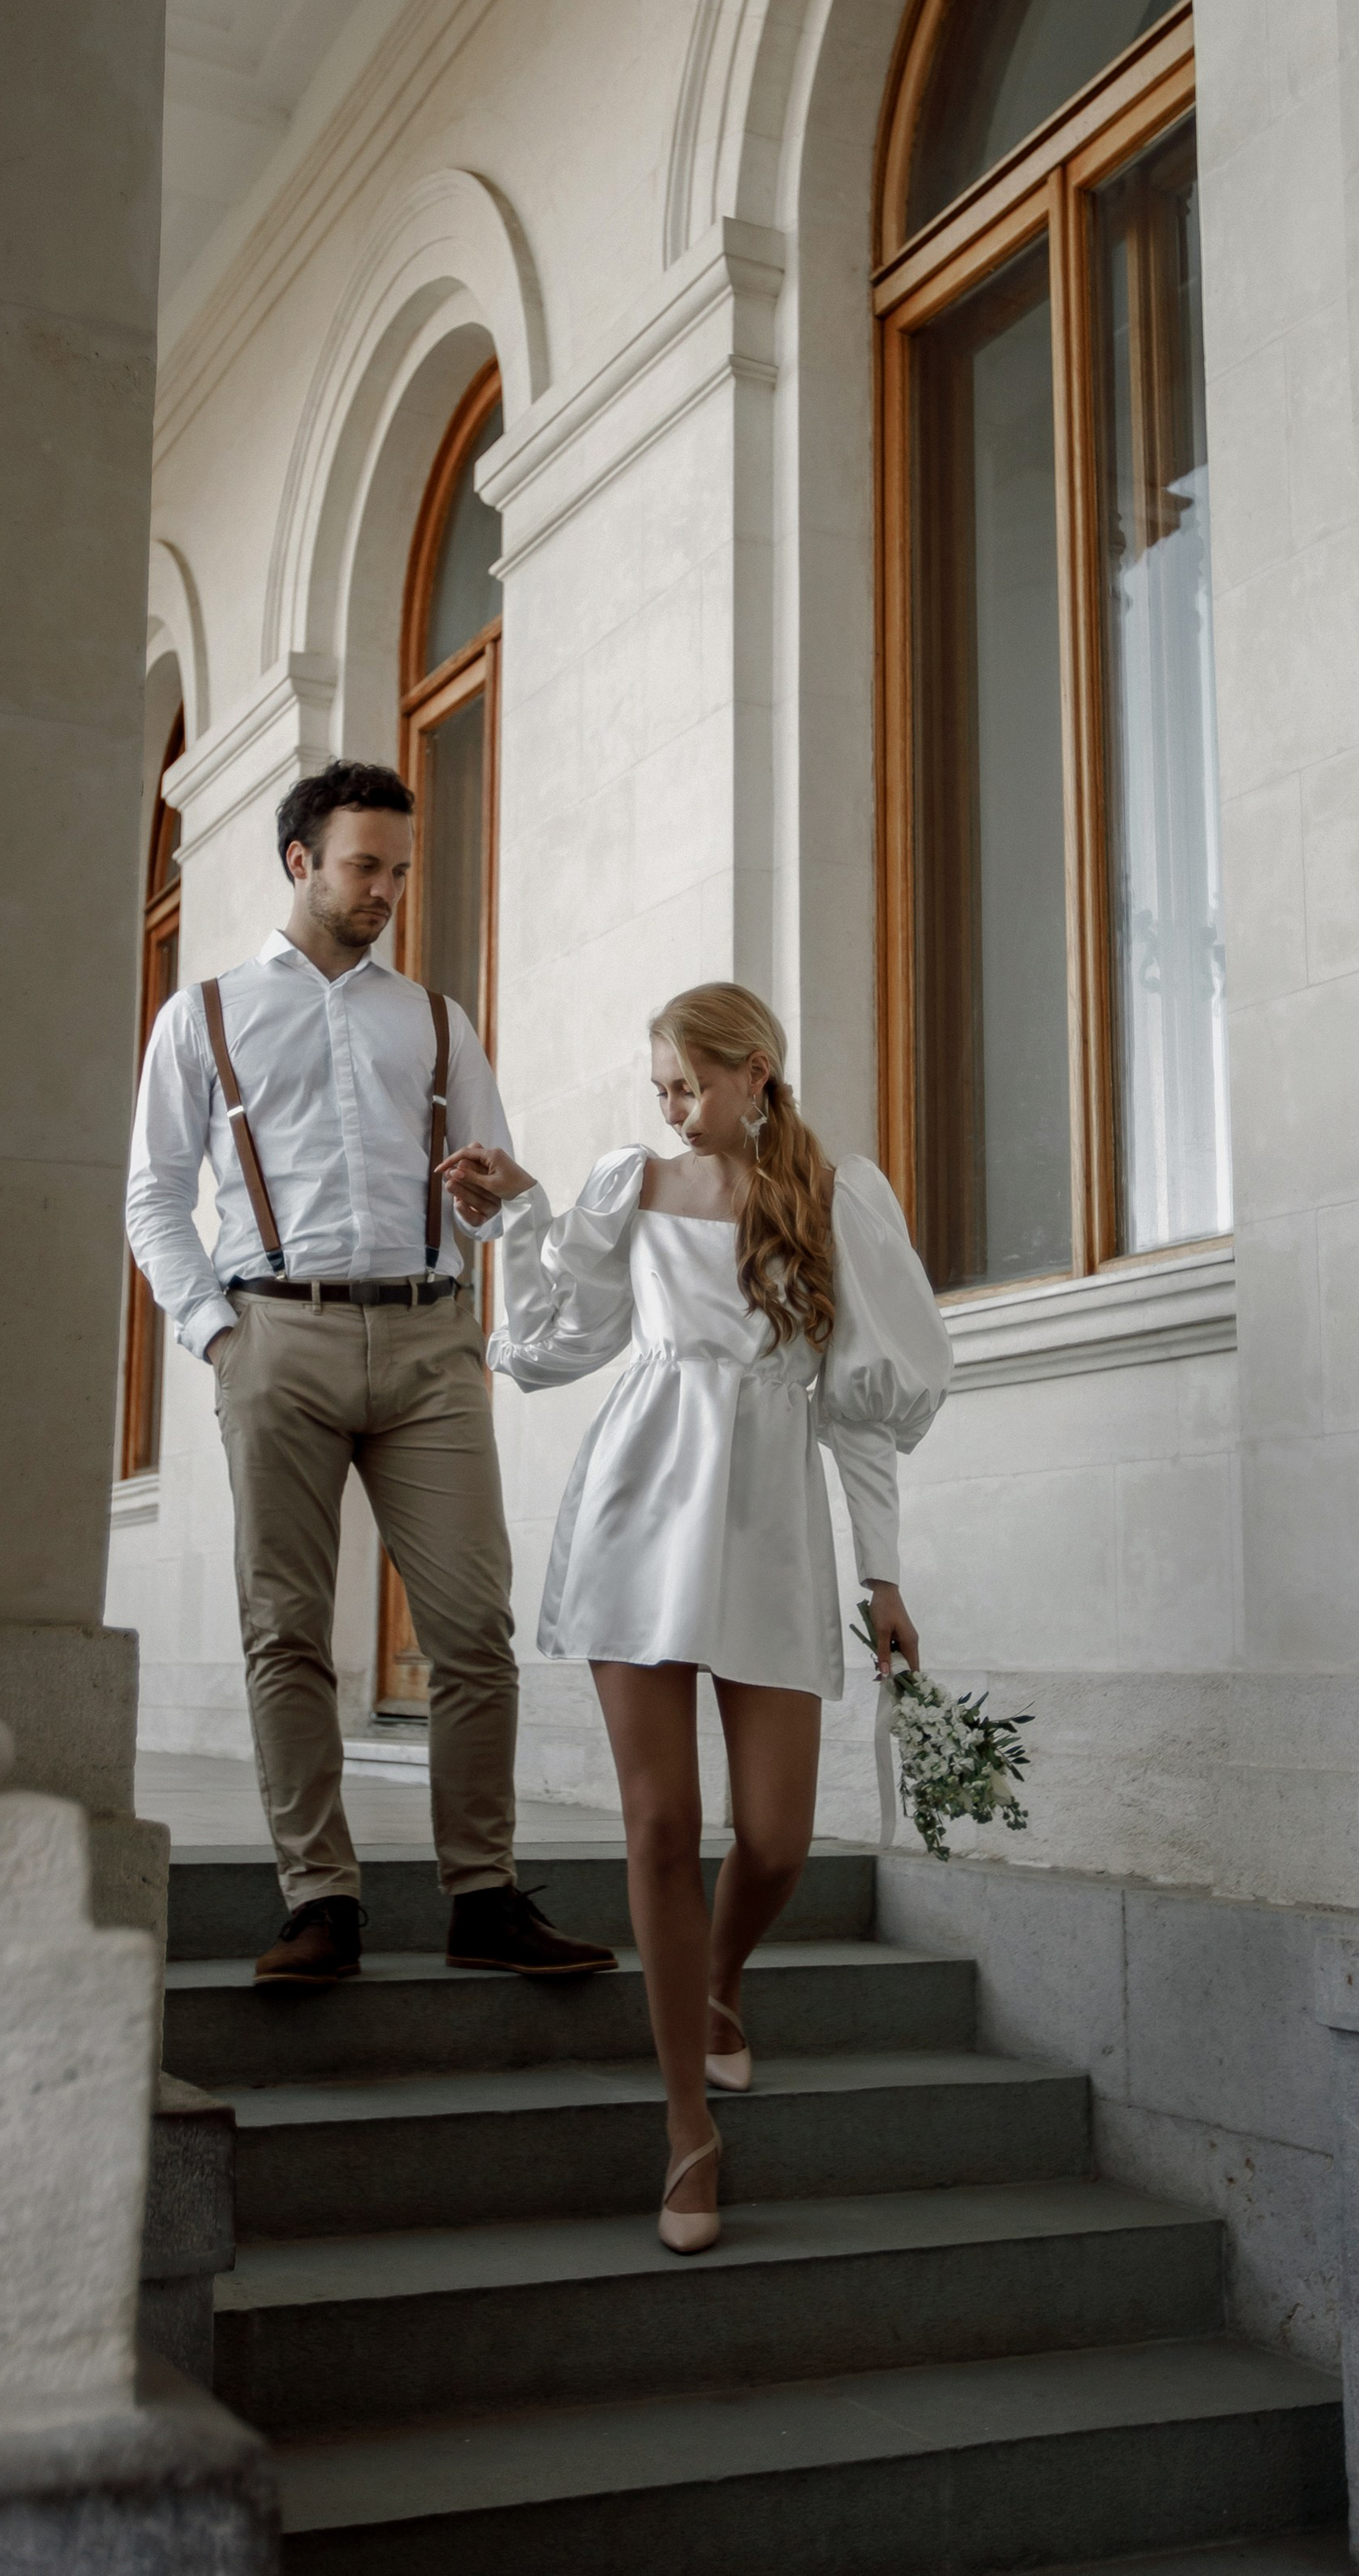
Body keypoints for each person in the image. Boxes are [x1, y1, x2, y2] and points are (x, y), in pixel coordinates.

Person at [442, 981, 951, 2251]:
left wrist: (881, 1576)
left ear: (756, 1072)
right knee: (662, 1822)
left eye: (689, 1083)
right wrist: (522, 1219)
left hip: (772, 1525)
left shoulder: (838, 1201)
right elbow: (564, 1342)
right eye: (657, 1084)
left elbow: (862, 1416)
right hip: (640, 1513)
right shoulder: (631, 1188)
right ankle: (687, 2135)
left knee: (775, 1840)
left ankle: (720, 1985)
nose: (668, 1106)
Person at [124, 758, 614, 1989]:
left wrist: (501, 1202)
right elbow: (153, 1195)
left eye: (400, 868)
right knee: (286, 1630)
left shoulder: (436, 1019)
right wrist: (215, 1329)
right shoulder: (208, 1015)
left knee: (474, 1630)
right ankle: (320, 1901)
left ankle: (483, 1895)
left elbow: (498, 1195)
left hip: (431, 1340)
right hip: (273, 1335)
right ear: (300, 861)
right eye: (365, 866)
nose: (388, 888)